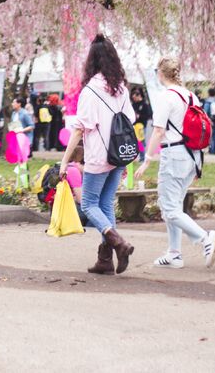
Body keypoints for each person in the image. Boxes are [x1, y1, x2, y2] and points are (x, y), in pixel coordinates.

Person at [59, 34, 134, 275]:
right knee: (105, 204)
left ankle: (117, 242)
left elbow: (80, 128)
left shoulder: (91, 90)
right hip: (119, 155)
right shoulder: (121, 88)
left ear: (91, 61)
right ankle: (104, 260)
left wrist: (64, 161)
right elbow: (131, 119)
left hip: (98, 156)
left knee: (90, 204)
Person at [137, 57, 215, 269]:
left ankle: (205, 238)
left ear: (160, 74)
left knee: (169, 208)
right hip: (192, 155)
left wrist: (147, 160)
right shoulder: (191, 96)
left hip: (174, 155)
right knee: (175, 205)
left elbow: (158, 130)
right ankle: (174, 253)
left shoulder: (166, 97)